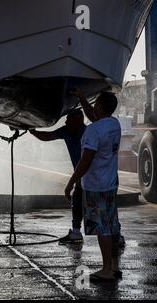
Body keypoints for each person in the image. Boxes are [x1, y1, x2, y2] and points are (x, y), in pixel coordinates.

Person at [65, 91, 122, 281]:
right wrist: (82, 98)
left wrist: (71, 182)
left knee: (103, 229)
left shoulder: (92, 131)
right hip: (111, 183)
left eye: (95, 104)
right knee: (112, 227)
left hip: (97, 187)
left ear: (99, 107)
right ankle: (114, 266)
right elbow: (97, 119)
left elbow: (85, 161)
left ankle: (106, 270)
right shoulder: (114, 124)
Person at [30, 110, 87, 244]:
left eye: (69, 118)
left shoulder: (88, 133)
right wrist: (32, 131)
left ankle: (115, 234)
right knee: (78, 198)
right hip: (80, 173)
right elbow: (47, 136)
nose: (66, 121)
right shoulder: (66, 130)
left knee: (98, 204)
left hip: (91, 174)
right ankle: (76, 231)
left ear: (79, 119)